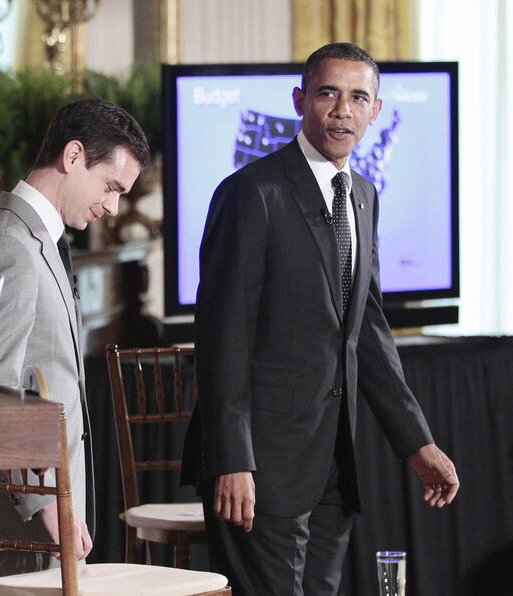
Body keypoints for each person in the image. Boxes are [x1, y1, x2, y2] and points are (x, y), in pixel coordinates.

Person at [181, 43, 460, 595]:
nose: (342, 110)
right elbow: (222, 338)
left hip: (334, 464)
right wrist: (233, 460)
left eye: (359, 97)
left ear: (375, 111)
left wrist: (417, 443)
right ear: (300, 100)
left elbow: (367, 333)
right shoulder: (252, 193)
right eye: (328, 93)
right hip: (259, 468)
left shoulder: (362, 195)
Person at [0, 98, 150, 573]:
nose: (112, 207)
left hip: (44, 503)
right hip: (27, 514)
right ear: (73, 157)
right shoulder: (12, 244)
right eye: (110, 187)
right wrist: (44, 502)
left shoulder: (35, 240)